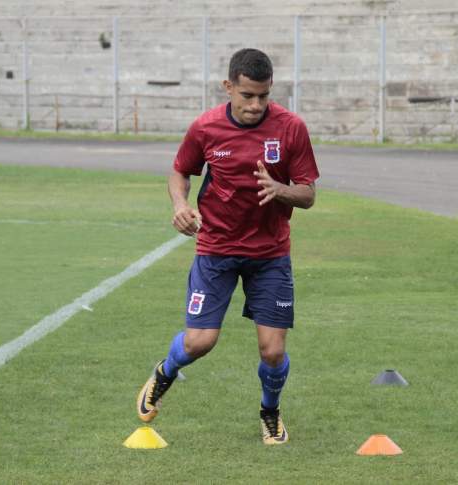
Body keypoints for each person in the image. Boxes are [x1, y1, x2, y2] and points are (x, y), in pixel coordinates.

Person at [136, 48, 319, 445]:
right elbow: (181, 171)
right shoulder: (205, 128)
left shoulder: (291, 128)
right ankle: (165, 372)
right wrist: (181, 204)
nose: (256, 105)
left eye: (264, 96)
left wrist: (280, 189)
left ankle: (270, 413)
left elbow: (307, 195)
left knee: (272, 352)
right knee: (200, 342)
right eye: (248, 95)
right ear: (228, 87)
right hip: (217, 248)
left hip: (270, 254)